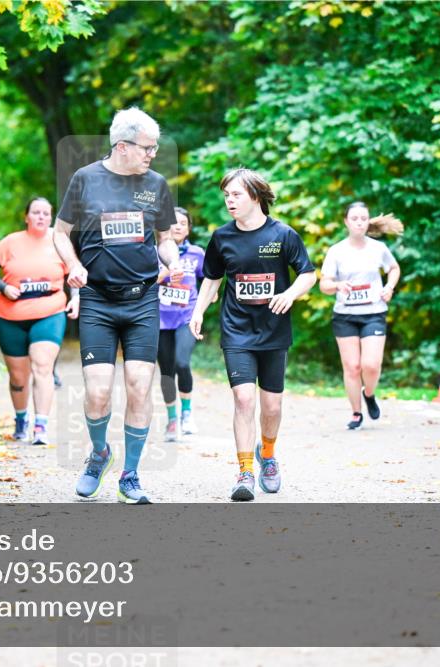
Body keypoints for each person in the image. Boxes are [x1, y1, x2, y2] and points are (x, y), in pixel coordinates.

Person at [54, 107, 183, 504]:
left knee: (140, 386)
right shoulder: (85, 179)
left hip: (142, 298)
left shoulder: (156, 184)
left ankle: (130, 475)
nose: (153, 154)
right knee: (96, 393)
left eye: (156, 148)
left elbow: (164, 237)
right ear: (122, 147)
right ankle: (100, 454)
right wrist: (73, 266)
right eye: (147, 147)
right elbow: (61, 234)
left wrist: (172, 258)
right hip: (97, 301)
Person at [190, 168, 316, 502]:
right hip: (237, 330)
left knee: (271, 407)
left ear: (255, 197)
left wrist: (289, 295)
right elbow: (212, 278)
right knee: (244, 399)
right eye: (227, 195)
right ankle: (245, 471)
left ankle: (268, 455)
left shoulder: (283, 235)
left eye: (236, 195)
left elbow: (308, 274)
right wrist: (198, 310)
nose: (229, 201)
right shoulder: (221, 237)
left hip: (274, 331)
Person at [0, 198, 79, 444]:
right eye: (36, 212)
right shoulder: (10, 242)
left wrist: (75, 298)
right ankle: (21, 419)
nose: (41, 217)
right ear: (27, 217)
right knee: (18, 377)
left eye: (46, 213)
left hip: (50, 311)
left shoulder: (59, 241)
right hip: (10, 315)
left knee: (42, 366)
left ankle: (41, 427)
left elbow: (75, 272)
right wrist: (3, 287)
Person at [319, 202, 403, 430]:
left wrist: (389, 287)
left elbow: (394, 268)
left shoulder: (378, 249)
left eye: (363, 219)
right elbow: (323, 284)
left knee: (371, 365)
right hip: (345, 316)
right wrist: (337, 285)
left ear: (368, 222)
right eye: (354, 218)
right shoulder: (336, 250)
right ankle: (356, 413)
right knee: (352, 367)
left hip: (373, 313)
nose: (359, 222)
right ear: (346, 222)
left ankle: (370, 393)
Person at [157, 207, 206, 441]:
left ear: (188, 228)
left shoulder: (197, 253)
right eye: (173, 222)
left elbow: (208, 279)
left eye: (183, 223)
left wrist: (209, 298)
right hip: (159, 319)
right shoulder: (154, 252)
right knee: (166, 371)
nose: (177, 226)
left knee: (182, 363)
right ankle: (172, 420)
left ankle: (187, 415)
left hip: (187, 316)